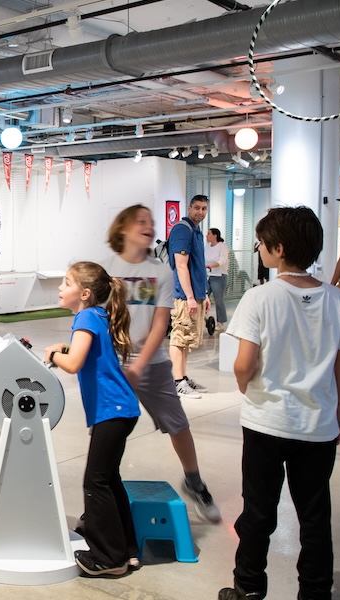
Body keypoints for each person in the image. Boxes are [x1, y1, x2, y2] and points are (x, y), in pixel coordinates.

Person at [220, 206, 340, 600]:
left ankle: (247, 588)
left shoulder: (259, 297)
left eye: (261, 243)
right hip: (318, 427)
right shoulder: (337, 300)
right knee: (315, 515)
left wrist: (245, 385)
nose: (259, 249)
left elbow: (244, 363)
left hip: (266, 422)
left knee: (258, 512)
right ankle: (315, 592)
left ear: (278, 249)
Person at [102, 205, 221, 523]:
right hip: (113, 365)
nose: (149, 226)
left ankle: (194, 482)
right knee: (108, 432)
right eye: (141, 221)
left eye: (151, 222)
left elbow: (159, 326)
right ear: (123, 228)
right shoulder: (107, 269)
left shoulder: (162, 272)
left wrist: (139, 365)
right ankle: (105, 488)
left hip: (151, 364)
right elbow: (99, 317)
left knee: (178, 424)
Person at [45, 261, 139, 577]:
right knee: (109, 480)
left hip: (111, 412)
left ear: (84, 293)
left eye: (66, 282)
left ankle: (109, 559)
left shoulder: (85, 315)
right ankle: (127, 549)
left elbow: (73, 363)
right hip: (121, 410)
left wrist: (53, 355)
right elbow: (89, 353)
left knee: (95, 482)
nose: (60, 287)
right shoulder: (98, 314)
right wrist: (66, 348)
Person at [168, 194, 211, 398]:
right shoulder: (182, 230)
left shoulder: (197, 231)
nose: (200, 212)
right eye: (197, 208)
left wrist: (203, 294)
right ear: (189, 208)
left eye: (204, 209)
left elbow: (198, 266)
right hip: (184, 297)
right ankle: (177, 381)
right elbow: (181, 266)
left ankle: (183, 377)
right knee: (180, 336)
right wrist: (190, 297)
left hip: (195, 295)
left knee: (187, 339)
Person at [205, 227, 230, 332]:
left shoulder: (222, 246)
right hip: (207, 276)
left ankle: (221, 323)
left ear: (215, 235)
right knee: (202, 297)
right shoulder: (207, 247)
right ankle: (202, 319)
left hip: (219, 276)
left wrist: (211, 266)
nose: (206, 236)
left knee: (218, 300)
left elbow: (222, 260)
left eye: (209, 234)